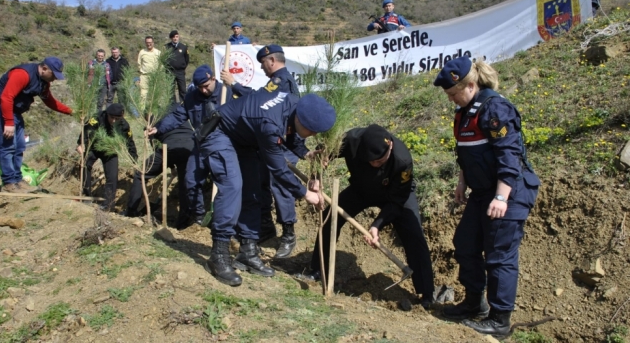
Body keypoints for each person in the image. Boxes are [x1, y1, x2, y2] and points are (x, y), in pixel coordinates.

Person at [433, 57, 540, 336]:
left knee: (499, 255)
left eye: (454, 93)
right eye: (449, 95)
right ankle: (473, 304)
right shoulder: (463, 113)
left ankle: (499, 319)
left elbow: (509, 156)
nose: (452, 99)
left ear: (470, 85)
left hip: (509, 192)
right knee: (465, 244)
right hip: (481, 193)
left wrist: (502, 198)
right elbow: (467, 153)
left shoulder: (494, 108)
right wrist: (461, 182)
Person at [199, 90, 335, 286]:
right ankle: (218, 256)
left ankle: (247, 252)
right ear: (301, 119)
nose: (313, 134)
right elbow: (278, 168)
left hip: (246, 140)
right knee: (232, 187)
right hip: (220, 133)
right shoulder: (269, 123)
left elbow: (289, 129)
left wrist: (306, 153)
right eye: (311, 131)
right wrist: (306, 194)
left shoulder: (294, 105)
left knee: (253, 190)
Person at [299, 124, 436, 309]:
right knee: (330, 216)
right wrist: (316, 175)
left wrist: (377, 224)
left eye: (380, 161)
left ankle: (426, 292)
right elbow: (322, 153)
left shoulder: (402, 160)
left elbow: (397, 202)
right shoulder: (351, 140)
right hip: (361, 189)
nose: (376, 164)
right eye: (372, 161)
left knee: (414, 234)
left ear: (390, 147)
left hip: (394, 195)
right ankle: (317, 269)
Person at [221, 44, 304, 258]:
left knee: (280, 184)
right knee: (262, 181)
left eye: (263, 64)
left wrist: (235, 85)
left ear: (272, 61)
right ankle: (266, 226)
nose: (263, 68)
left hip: (282, 141)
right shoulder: (277, 80)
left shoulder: (281, 80)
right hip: (269, 139)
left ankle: (288, 234)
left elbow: (258, 100)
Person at [152, 65, 233, 229]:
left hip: (224, 146)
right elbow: (177, 116)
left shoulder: (227, 92)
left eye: (206, 86)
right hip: (201, 145)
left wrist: (233, 85)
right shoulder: (192, 97)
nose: (203, 90)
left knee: (227, 184)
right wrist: (158, 128)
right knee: (190, 181)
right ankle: (198, 217)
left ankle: (225, 221)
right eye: (200, 87)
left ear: (213, 79)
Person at [0, 57, 72, 193]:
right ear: (44, 69)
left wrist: (71, 112)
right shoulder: (22, 74)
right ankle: (9, 183)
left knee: (19, 145)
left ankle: (18, 180)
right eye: (53, 75)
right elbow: (6, 97)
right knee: (8, 145)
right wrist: (8, 122)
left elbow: (50, 101)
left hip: (14, 110)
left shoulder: (43, 83)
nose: (55, 79)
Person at [125, 102, 194, 221]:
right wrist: (172, 167)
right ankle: (184, 220)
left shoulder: (151, 123)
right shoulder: (177, 110)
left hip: (170, 148)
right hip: (191, 147)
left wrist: (169, 164)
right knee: (184, 184)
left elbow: (156, 147)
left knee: (141, 173)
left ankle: (131, 211)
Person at [77, 103, 138, 211]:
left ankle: (108, 205)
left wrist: (134, 160)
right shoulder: (97, 118)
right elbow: (86, 130)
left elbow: (130, 143)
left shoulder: (124, 126)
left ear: (122, 116)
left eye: (117, 118)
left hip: (110, 151)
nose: (114, 121)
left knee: (112, 177)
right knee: (86, 165)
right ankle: (86, 196)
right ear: (107, 114)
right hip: (93, 147)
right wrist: (81, 144)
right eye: (112, 118)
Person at [165, 30, 190, 102]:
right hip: (170, 72)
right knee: (170, 90)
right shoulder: (167, 47)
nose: (175, 38)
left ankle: (183, 105)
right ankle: (172, 107)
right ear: (171, 38)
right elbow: (163, 60)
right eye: (173, 37)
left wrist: (182, 67)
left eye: (177, 36)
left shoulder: (183, 47)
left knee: (182, 90)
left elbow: (187, 59)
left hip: (180, 72)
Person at [137, 36, 161, 100]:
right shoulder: (142, 52)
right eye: (147, 42)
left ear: (153, 43)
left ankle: (154, 109)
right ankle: (142, 109)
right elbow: (139, 64)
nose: (148, 44)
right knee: (143, 95)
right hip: (144, 76)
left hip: (155, 76)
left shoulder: (158, 52)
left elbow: (161, 65)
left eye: (150, 42)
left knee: (155, 94)